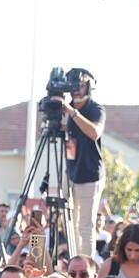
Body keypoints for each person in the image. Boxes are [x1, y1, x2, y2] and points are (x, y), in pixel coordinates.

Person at [56, 68, 105, 258]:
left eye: (81, 85)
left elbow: (94, 132)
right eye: (73, 85)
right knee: (69, 222)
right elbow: (51, 129)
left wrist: (72, 112)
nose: (76, 90)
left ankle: (86, 264)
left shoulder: (95, 109)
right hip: (71, 171)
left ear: (89, 87)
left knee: (85, 226)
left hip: (90, 174)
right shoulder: (66, 108)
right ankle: (73, 259)